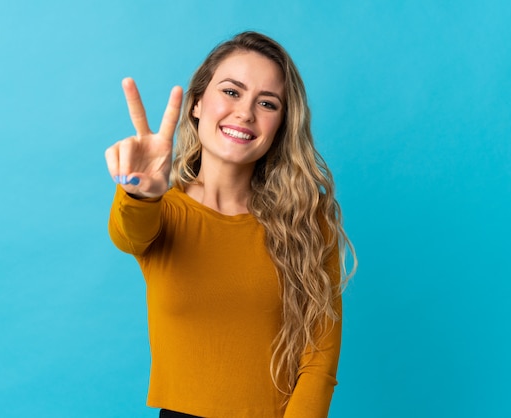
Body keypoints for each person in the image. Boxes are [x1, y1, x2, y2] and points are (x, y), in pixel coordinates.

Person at [105, 31, 356, 418]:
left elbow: (319, 359)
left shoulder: (306, 219)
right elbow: (127, 232)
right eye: (232, 92)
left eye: (267, 103)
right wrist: (142, 193)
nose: (245, 113)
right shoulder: (163, 212)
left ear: (281, 125)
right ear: (197, 104)